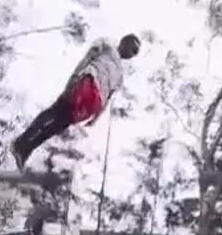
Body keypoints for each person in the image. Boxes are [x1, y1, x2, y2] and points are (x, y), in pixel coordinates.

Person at [10, 34, 141, 170]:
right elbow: (86, 60)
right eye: (134, 50)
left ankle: (26, 149)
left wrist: (96, 117)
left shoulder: (120, 75)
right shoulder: (106, 47)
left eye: (136, 53)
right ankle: (20, 142)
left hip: (92, 103)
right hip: (85, 85)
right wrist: (74, 78)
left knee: (57, 126)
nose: (133, 54)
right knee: (54, 112)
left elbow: (108, 97)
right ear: (124, 42)